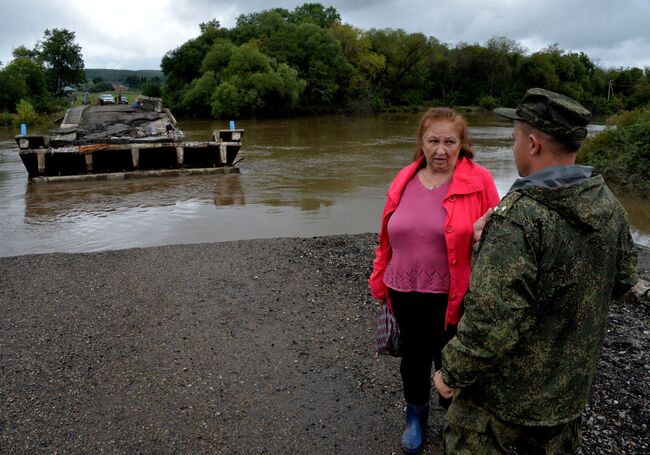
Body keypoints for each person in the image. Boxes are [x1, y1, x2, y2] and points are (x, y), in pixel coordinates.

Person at [434, 88, 638, 454]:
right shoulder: (607, 205)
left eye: (514, 140)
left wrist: (450, 372)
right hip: (566, 396)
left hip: (502, 403)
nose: (513, 149)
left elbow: (491, 324)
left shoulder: (520, 218)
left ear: (532, 144)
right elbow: (622, 280)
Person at [369, 107, 500, 454]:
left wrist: (480, 236)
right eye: (433, 141)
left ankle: (455, 422)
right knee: (413, 357)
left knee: (450, 359)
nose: (441, 150)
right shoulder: (404, 177)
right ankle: (416, 417)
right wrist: (379, 280)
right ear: (421, 143)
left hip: (453, 293)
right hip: (403, 288)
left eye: (449, 141)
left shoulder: (479, 181)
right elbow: (386, 234)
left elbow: (499, 238)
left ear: (462, 144)